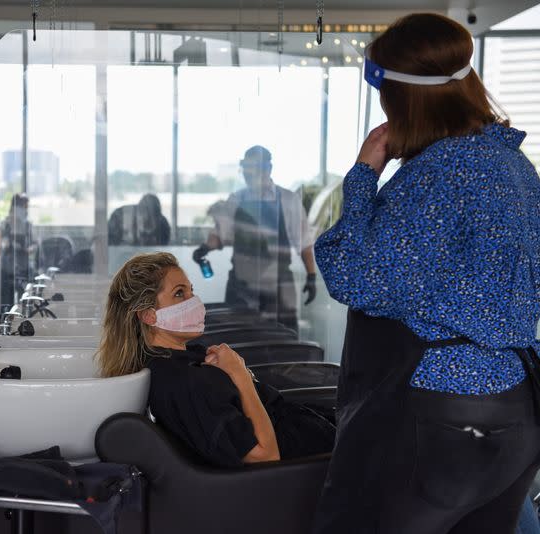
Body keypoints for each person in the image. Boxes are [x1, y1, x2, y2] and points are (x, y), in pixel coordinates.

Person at [313, 14, 540, 533]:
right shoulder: (514, 166)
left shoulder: (439, 174)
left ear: (400, 99)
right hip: (518, 402)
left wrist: (364, 175)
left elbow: (356, 276)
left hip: (446, 410)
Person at [95, 252, 335, 467]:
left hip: (317, 429)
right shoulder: (183, 382)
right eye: (180, 293)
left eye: (191, 290)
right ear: (148, 315)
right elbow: (265, 456)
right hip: (314, 463)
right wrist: (240, 376)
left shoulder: (182, 360)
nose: (193, 300)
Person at [192, 146, 317, 332]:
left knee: (283, 339)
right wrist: (204, 248)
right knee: (238, 338)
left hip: (279, 285)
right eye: (246, 170)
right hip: (241, 284)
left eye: (254, 169)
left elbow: (304, 242)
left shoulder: (289, 200)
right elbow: (220, 234)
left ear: (268, 169)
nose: (249, 175)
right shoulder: (236, 199)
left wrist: (311, 275)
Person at [0, 193, 34, 309]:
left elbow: (33, 244)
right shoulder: (6, 224)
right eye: (24, 206)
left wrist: (30, 249)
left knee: (23, 301)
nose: (26, 210)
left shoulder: (27, 225)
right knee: (6, 303)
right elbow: (2, 243)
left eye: (27, 207)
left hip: (23, 267)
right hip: (8, 268)